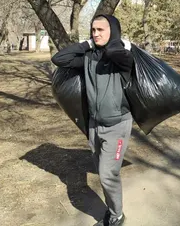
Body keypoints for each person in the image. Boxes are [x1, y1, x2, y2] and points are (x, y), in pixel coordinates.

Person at [51, 15, 133, 226]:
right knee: (103, 172)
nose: (96, 34)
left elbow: (114, 51)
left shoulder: (122, 58)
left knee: (107, 175)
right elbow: (59, 59)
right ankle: (112, 211)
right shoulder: (89, 57)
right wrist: (87, 44)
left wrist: (115, 40)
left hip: (117, 125)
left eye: (101, 30)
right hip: (95, 125)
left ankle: (117, 216)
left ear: (112, 31)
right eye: (93, 30)